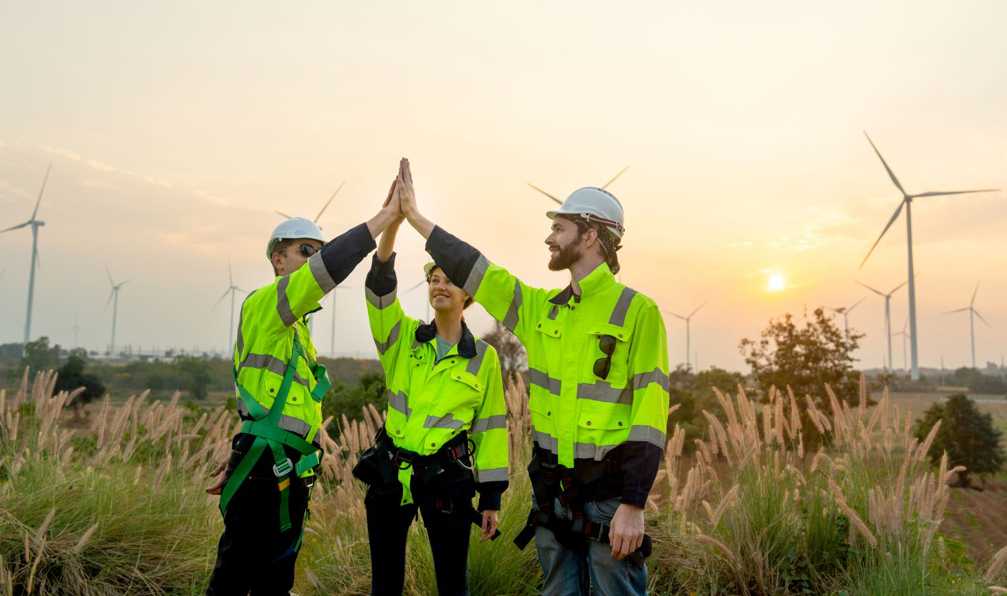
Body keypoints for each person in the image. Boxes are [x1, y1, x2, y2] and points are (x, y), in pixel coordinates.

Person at [394, 158, 669, 595]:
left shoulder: (638, 312)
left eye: (559, 229)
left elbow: (650, 417)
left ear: (591, 234)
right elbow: (479, 272)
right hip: (553, 499)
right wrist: (418, 221)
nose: (549, 237)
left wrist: (633, 504)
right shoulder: (541, 309)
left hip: (609, 502)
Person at [205, 186, 402, 596]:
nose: (314, 259)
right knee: (235, 572)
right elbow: (329, 269)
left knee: (275, 576)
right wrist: (383, 220)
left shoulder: (294, 330)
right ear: (279, 259)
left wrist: (242, 447)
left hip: (282, 465)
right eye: (304, 251)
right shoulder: (265, 303)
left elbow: (263, 401)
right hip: (265, 465)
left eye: (317, 250)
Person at [355, 186, 509, 596]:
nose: (440, 286)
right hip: (393, 475)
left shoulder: (484, 358)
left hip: (448, 482)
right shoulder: (402, 338)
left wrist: (491, 497)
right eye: (434, 280)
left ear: (467, 295)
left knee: (451, 586)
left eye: (450, 281)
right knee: (384, 585)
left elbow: (491, 429)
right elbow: (380, 285)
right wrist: (393, 222)